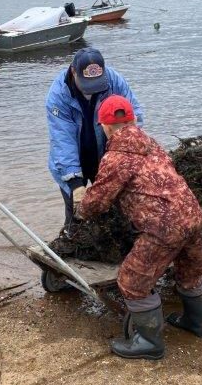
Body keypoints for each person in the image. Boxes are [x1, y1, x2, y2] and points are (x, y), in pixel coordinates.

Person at [77, 95, 202, 360]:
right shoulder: (152, 144)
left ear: (104, 126)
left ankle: (149, 343)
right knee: (190, 273)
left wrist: (80, 208)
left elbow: (97, 202)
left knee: (132, 281)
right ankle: (197, 324)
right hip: (193, 216)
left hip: (163, 228)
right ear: (133, 120)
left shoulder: (116, 158)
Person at [45, 47, 144, 241]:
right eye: (87, 84)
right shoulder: (58, 95)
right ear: (73, 71)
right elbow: (62, 140)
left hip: (107, 157)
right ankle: (70, 250)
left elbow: (134, 118)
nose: (92, 89)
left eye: (96, 84)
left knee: (119, 213)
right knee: (75, 219)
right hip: (74, 161)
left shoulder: (114, 82)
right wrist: (75, 184)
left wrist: (125, 158)